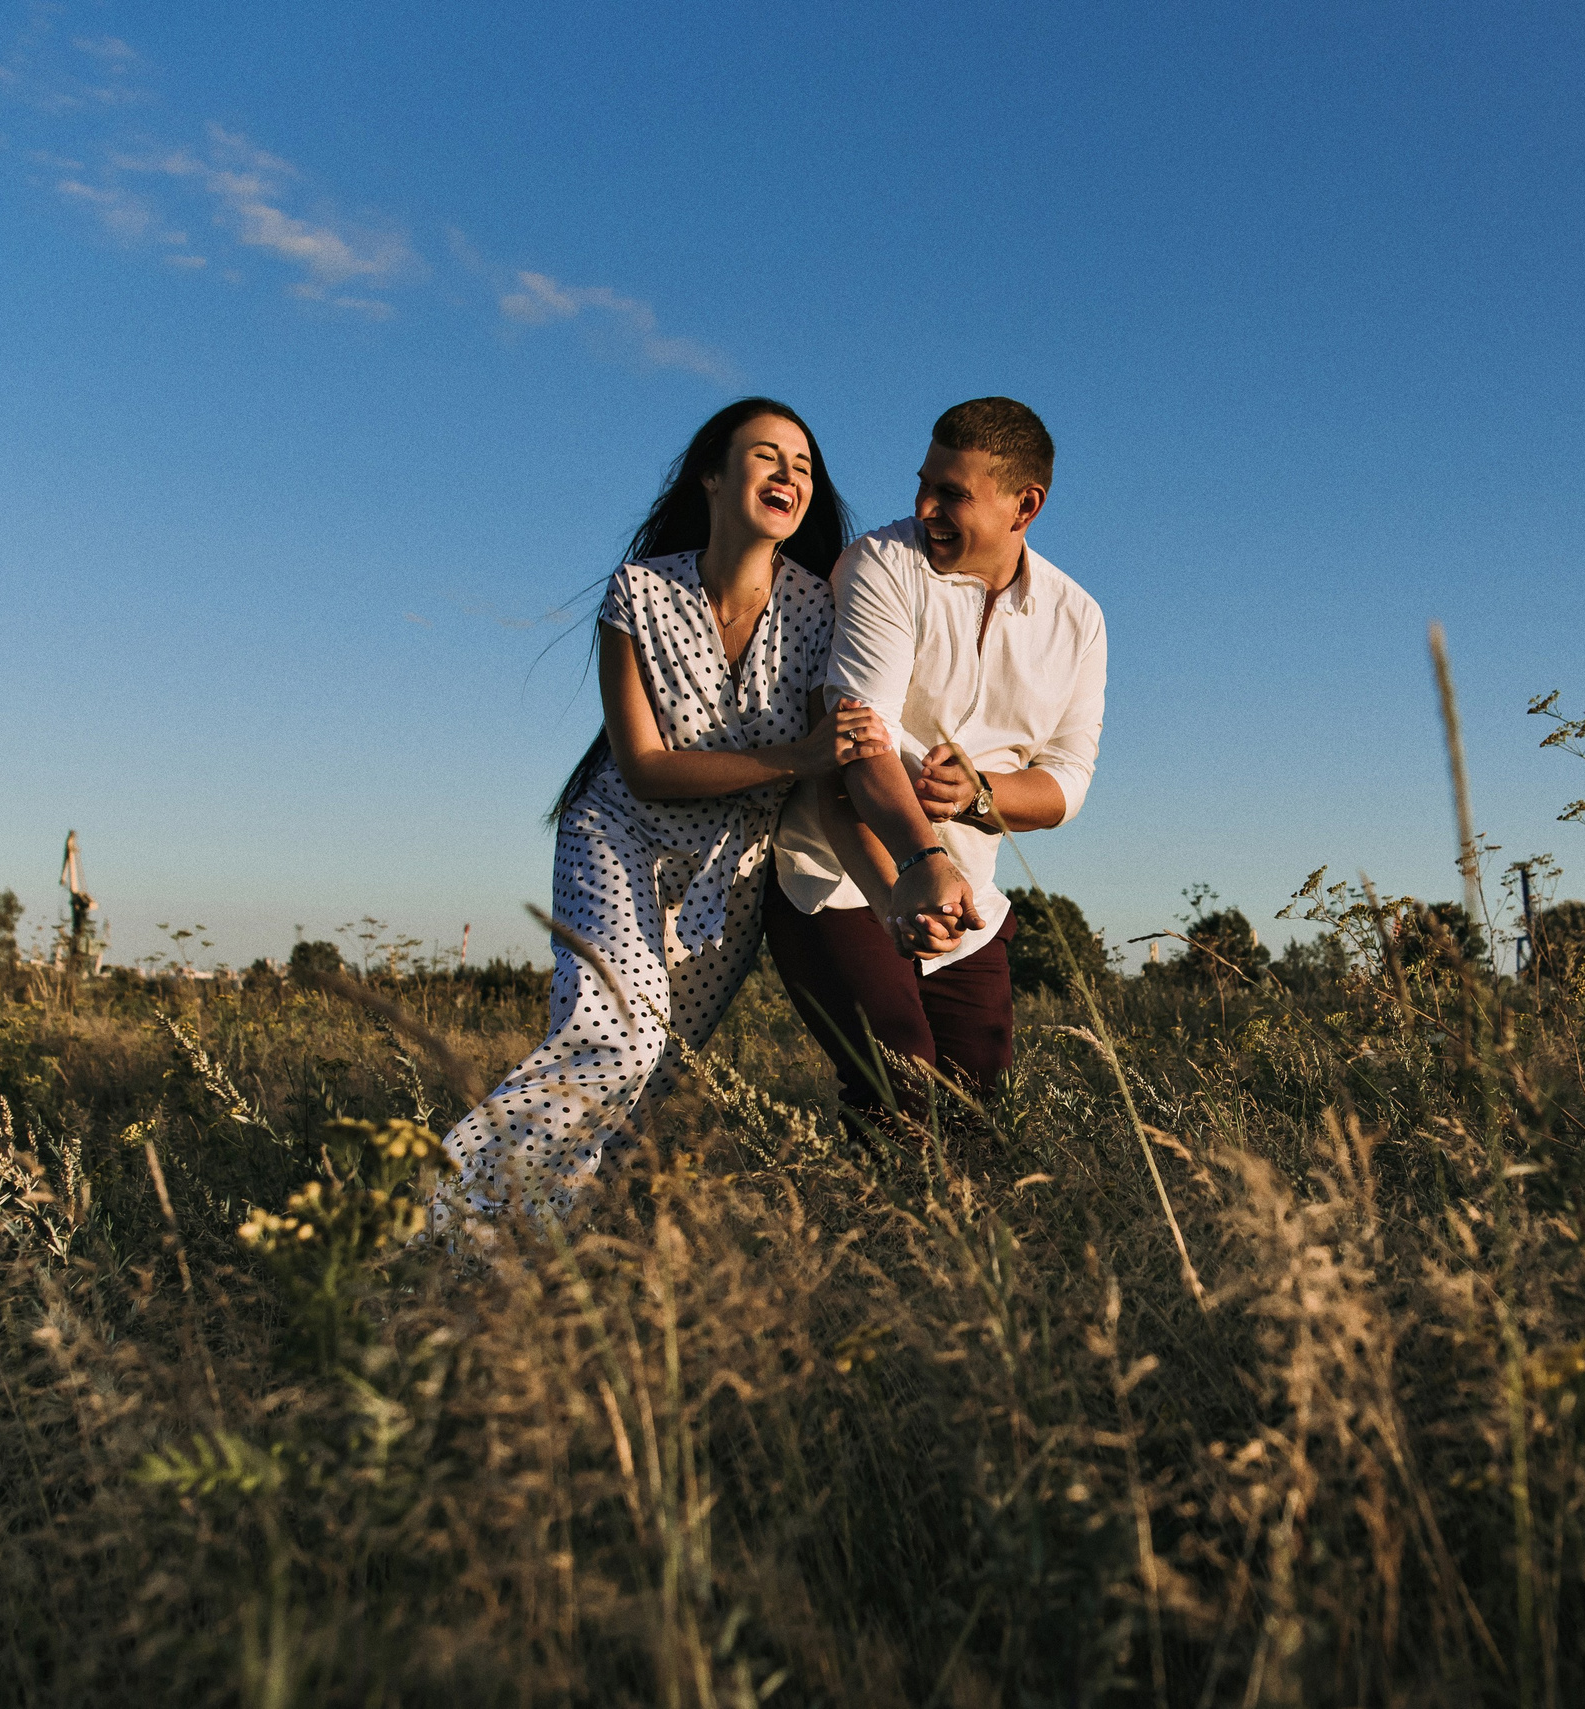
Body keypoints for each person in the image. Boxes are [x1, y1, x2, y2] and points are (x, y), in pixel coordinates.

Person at [441, 398, 890, 1217]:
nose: (790, 474)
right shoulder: (638, 594)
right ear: (711, 477)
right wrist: (796, 756)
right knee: (613, 1039)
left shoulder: (818, 610)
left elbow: (829, 781)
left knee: (646, 1087)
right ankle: (436, 1226)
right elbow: (646, 769)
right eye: (767, 456)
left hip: (730, 877)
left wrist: (894, 889)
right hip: (619, 839)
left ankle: (549, 1257)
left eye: (804, 465)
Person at [764, 397, 1106, 1122]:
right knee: (901, 1092)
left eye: (952, 494)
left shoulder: (1079, 619)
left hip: (965, 904)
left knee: (981, 1116)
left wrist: (984, 795)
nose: (924, 508)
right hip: (837, 874)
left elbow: (1070, 781)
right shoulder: (881, 565)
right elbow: (861, 739)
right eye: (923, 484)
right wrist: (921, 859)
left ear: (1025, 506)